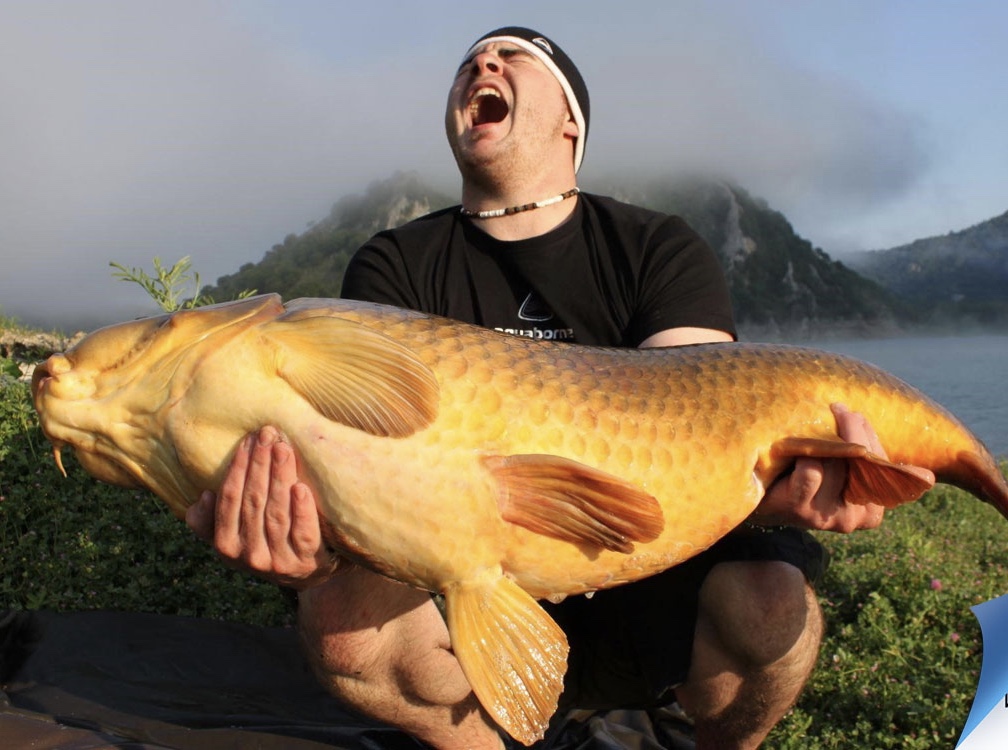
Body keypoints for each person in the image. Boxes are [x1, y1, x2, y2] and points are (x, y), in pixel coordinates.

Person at [186, 27, 934, 749]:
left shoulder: (655, 244)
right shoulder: (395, 264)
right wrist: (315, 551)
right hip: (462, 588)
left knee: (775, 608)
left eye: (511, 56)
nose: (483, 62)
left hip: (645, 566)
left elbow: (703, 422)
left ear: (570, 120)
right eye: (470, 61)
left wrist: (780, 492)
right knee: (343, 625)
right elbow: (365, 470)